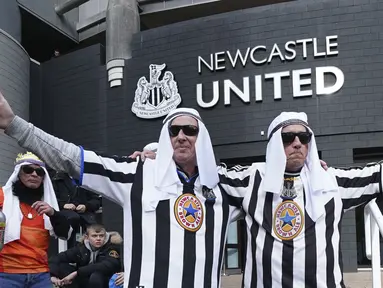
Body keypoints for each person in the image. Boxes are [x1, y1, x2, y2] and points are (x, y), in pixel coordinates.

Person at [0, 92, 242, 288]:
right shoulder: (137, 174)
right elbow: (72, 158)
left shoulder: (225, 186)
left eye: (190, 130)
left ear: (203, 138)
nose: (181, 136)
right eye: (173, 130)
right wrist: (14, 125)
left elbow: (272, 185)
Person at [215, 112, 383, 287]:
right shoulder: (251, 179)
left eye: (304, 137)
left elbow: (377, 175)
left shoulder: (331, 181)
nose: (297, 143)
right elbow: (206, 175)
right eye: (287, 138)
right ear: (273, 144)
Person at [0, 152, 72, 287]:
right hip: (6, 273)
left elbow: (66, 234)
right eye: (28, 170)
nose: (34, 174)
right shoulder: (3, 196)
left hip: (40, 275)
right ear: (18, 174)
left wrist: (53, 214)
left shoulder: (48, 204)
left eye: (39, 172)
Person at [50, 223, 122, 288]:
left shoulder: (111, 246)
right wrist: (53, 276)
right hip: (85, 280)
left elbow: (109, 265)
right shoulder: (81, 247)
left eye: (101, 236)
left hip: (105, 280)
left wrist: (77, 272)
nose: (98, 239)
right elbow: (57, 258)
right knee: (63, 267)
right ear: (87, 237)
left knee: (96, 276)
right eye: (94, 236)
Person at [52, 171, 101, 247]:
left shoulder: (88, 179)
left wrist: (86, 206)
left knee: (96, 231)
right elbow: (51, 199)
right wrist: (63, 205)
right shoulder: (57, 179)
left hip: (86, 216)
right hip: (67, 217)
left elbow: (97, 200)